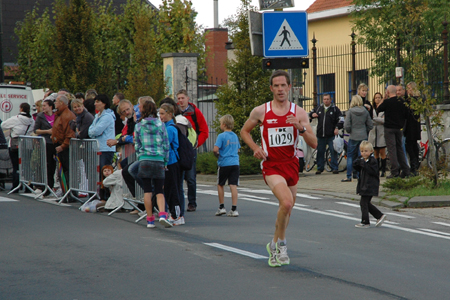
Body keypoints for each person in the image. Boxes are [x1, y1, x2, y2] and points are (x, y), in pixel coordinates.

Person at [240, 70, 317, 267]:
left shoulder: (298, 112)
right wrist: (256, 148)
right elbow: (244, 131)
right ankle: (282, 245)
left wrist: (300, 128)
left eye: (284, 85)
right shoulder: (261, 111)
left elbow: (314, 143)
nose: (280, 89)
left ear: (290, 87)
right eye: (276, 86)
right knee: (287, 203)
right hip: (271, 165)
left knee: (286, 210)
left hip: (291, 165)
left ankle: (273, 244)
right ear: (271, 88)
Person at [134, 97, 172, 228]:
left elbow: (137, 144)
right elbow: (166, 144)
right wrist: (165, 160)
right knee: (159, 190)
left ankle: (150, 220)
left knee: (147, 191)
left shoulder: (138, 125)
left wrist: (140, 155)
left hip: (145, 159)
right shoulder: (161, 125)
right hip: (158, 160)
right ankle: (162, 214)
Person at [177, 89, 209, 212]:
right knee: (179, 177)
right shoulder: (176, 113)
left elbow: (204, 131)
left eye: (182, 98)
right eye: (178, 98)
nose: (180, 101)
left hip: (190, 149)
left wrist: (196, 144)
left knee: (190, 177)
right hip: (178, 148)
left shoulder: (194, 112)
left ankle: (192, 203)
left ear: (188, 98)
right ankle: (179, 202)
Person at [377, 85, 410, 178]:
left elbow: (378, 108)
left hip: (389, 128)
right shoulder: (402, 101)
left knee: (392, 150)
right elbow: (406, 115)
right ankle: (406, 170)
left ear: (388, 92)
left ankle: (394, 171)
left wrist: (383, 98)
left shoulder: (387, 102)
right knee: (399, 149)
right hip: (399, 128)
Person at [1, 103, 35, 191]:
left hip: (14, 145)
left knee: (15, 166)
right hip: (27, 145)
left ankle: (16, 185)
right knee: (26, 165)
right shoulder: (31, 120)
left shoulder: (16, 119)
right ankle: (28, 185)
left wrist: (13, 129)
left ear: (21, 109)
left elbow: (3, 125)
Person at [353, 141, 386, 228]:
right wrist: (357, 163)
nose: (364, 153)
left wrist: (364, 164)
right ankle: (379, 216)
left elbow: (373, 172)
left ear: (371, 151)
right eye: (362, 151)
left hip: (370, 185)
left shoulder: (373, 161)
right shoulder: (362, 159)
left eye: (366, 151)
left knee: (364, 202)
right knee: (365, 203)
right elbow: (357, 167)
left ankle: (365, 221)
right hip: (363, 184)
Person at [159, 103, 183, 225]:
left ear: (169, 114)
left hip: (171, 162)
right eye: (160, 113)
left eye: (163, 113)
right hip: (170, 162)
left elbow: (165, 147)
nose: (160, 116)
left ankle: (176, 216)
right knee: (169, 189)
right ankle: (174, 214)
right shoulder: (167, 127)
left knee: (172, 189)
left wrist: (164, 162)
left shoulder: (169, 128)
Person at [308, 93, 343, 174]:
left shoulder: (335, 109)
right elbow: (310, 113)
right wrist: (312, 114)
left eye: (327, 99)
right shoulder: (319, 108)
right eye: (324, 99)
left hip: (331, 135)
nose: (326, 101)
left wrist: (337, 127)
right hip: (321, 135)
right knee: (320, 152)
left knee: (333, 151)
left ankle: (334, 168)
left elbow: (341, 119)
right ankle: (320, 168)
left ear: (330, 100)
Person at [213, 114, 240, 217]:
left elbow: (216, 149)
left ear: (223, 125)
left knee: (220, 184)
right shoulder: (235, 136)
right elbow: (238, 149)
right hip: (235, 163)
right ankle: (234, 209)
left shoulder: (221, 136)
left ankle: (221, 207)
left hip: (224, 163)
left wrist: (217, 155)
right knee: (233, 185)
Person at [342, 95, 373, 182]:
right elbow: (370, 125)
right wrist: (365, 131)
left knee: (350, 156)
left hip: (353, 136)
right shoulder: (365, 111)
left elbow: (346, 125)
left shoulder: (350, 111)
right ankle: (360, 175)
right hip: (363, 136)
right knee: (362, 156)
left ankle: (348, 176)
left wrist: (350, 131)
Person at [51, 94, 76, 189]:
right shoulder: (60, 114)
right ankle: (65, 191)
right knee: (62, 170)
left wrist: (63, 146)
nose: (54, 103)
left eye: (56, 101)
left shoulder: (67, 115)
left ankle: (69, 192)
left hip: (65, 148)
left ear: (61, 103)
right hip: (60, 145)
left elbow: (70, 134)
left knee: (66, 170)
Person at [33, 99, 57, 195]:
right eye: (42, 106)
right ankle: (45, 186)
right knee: (47, 164)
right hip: (46, 142)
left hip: (55, 142)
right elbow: (36, 130)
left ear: (51, 106)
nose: (43, 108)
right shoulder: (40, 116)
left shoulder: (56, 115)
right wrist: (47, 131)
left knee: (54, 165)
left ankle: (53, 185)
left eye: (45, 106)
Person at [88, 94, 116, 173]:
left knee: (105, 172)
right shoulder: (97, 116)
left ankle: (106, 185)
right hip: (98, 148)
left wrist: (94, 132)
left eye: (97, 102)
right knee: (98, 172)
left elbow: (97, 130)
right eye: (95, 102)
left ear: (104, 103)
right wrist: (94, 132)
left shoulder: (107, 117)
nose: (95, 104)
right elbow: (90, 131)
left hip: (106, 148)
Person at [368, 92, 387, 177]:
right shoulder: (371, 109)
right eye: (376, 98)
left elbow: (384, 120)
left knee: (382, 152)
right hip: (373, 133)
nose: (377, 99)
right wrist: (378, 120)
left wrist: (375, 119)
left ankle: (383, 170)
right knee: (375, 153)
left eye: (379, 97)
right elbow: (370, 120)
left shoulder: (384, 108)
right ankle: (376, 170)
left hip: (381, 133)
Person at [404, 82, 422, 176]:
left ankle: (414, 165)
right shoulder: (415, 100)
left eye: (409, 88)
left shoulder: (413, 100)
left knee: (410, 146)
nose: (408, 90)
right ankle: (415, 165)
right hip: (414, 125)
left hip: (412, 126)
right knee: (413, 145)